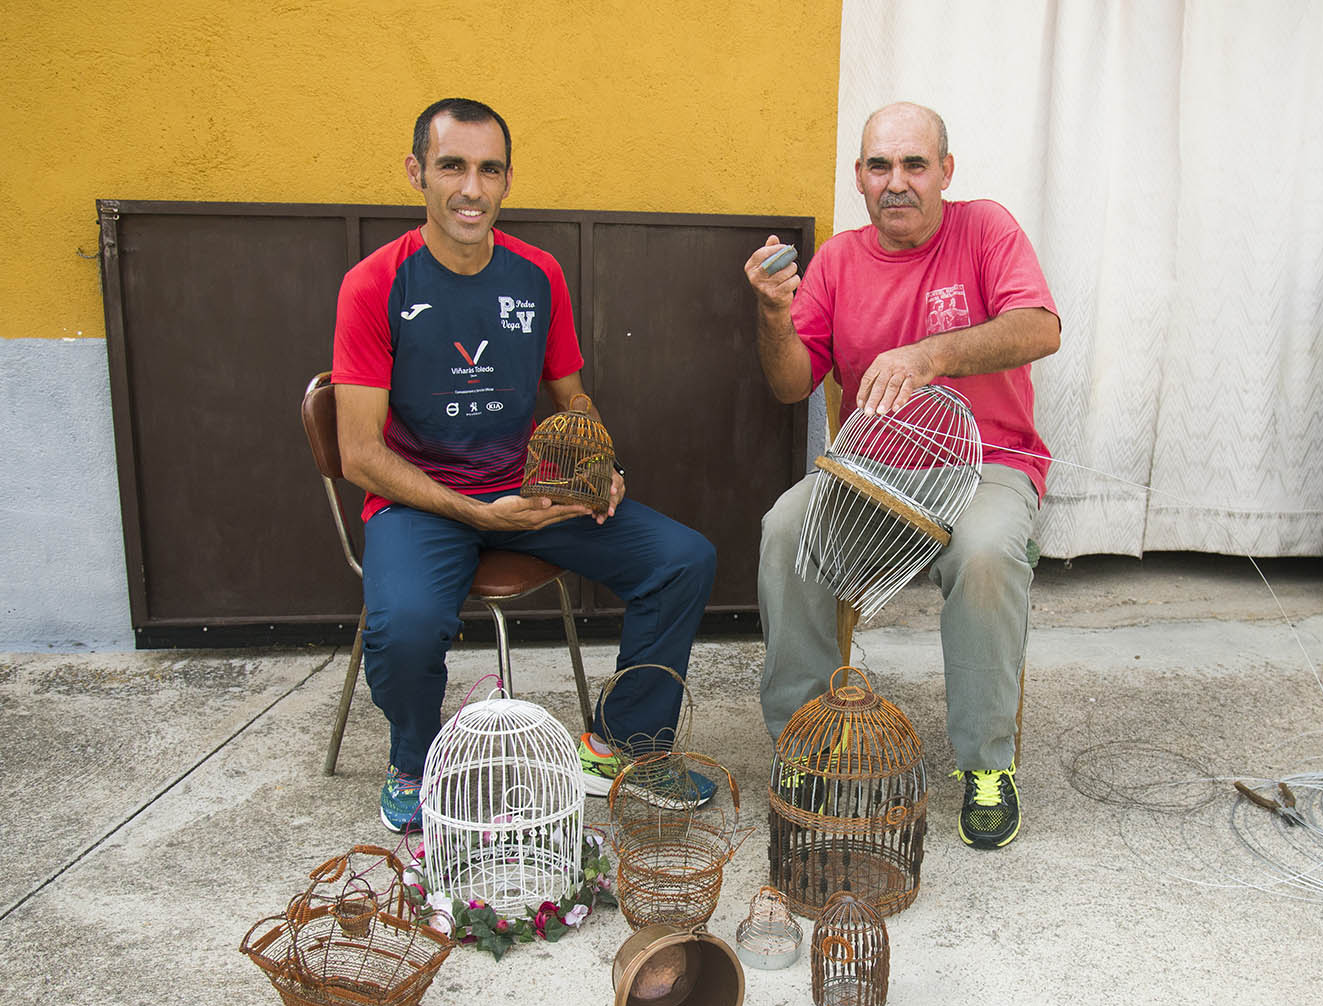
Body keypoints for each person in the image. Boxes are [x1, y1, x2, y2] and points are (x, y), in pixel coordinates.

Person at [333, 97, 717, 832]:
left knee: (683, 559)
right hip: (419, 502)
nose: (470, 189)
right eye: (452, 167)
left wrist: (598, 460)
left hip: (529, 493)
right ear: (417, 173)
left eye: (488, 170)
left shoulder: (537, 275)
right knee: (406, 627)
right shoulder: (375, 284)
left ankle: (618, 746)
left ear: (507, 181)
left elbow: (573, 398)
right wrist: (475, 513)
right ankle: (413, 760)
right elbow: (359, 454)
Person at [744, 101, 1060, 850]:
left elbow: (1040, 328)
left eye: (915, 164)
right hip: (875, 470)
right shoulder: (840, 260)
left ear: (945, 172)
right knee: (787, 527)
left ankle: (987, 765)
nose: (897, 182)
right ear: (858, 177)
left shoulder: (985, 228)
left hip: (987, 464)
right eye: (879, 166)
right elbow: (792, 383)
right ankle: (807, 746)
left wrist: (929, 355)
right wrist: (772, 316)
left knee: (984, 556)